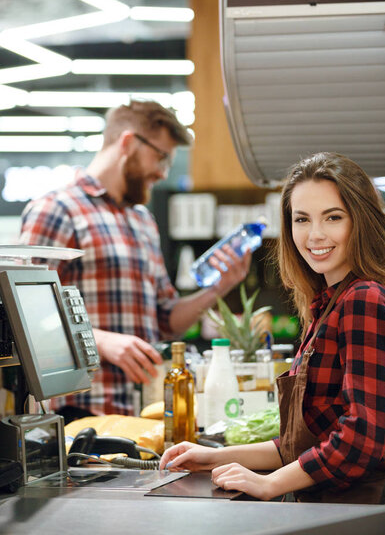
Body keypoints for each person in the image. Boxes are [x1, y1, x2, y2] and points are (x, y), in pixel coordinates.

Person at [160, 152, 385, 504]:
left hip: (352, 511)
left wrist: (271, 484)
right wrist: (214, 456)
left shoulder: (363, 300)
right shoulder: (327, 303)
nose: (314, 234)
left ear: (360, 220)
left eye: (333, 217)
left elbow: (361, 438)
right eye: (301, 219)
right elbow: (306, 443)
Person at [19, 100, 251, 419]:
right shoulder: (57, 210)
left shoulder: (143, 220)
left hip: (144, 412)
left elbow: (167, 321)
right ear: (127, 143)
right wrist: (100, 341)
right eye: (160, 157)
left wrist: (218, 288)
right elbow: (25, 315)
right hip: (81, 412)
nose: (162, 171)